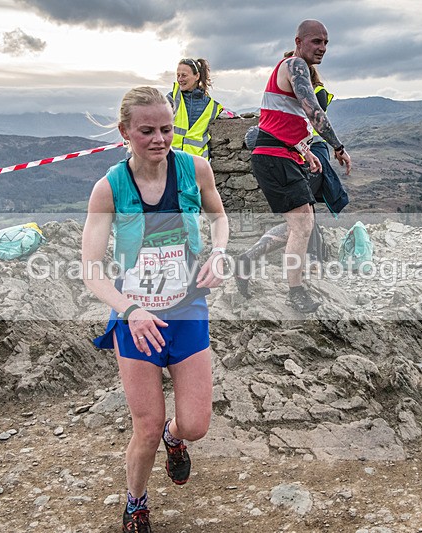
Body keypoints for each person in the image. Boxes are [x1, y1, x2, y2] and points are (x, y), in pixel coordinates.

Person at [82, 86, 229, 532]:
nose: (160, 139)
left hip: (187, 309)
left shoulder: (195, 169)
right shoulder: (109, 188)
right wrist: (130, 310)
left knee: (195, 425)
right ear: (125, 131)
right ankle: (136, 502)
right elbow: (91, 270)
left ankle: (176, 441)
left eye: (166, 129)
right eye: (147, 130)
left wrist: (219, 252)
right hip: (136, 319)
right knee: (146, 426)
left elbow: (219, 217)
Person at [237, 20, 352, 313]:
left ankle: (248, 259)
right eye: (316, 41)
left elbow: (282, 120)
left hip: (283, 154)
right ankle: (295, 291)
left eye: (326, 42)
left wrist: (304, 150)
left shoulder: (291, 68)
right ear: (299, 41)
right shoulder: (295, 65)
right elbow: (313, 112)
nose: (322, 48)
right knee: (302, 225)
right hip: (274, 157)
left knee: (302, 223)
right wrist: (337, 147)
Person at [168, 58, 223, 160]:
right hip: (171, 161)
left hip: (197, 165)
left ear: (197, 76)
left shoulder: (211, 106)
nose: (180, 79)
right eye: (178, 75)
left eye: (184, 75)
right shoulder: (171, 99)